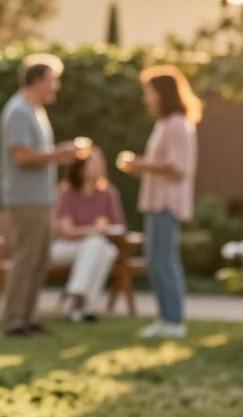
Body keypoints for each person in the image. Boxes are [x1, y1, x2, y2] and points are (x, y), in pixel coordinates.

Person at [0, 54, 87, 337]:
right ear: (37, 81)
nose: (56, 87)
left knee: (38, 260)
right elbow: (22, 156)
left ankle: (28, 319)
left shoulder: (35, 110)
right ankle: (14, 322)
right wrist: (60, 155)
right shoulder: (19, 111)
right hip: (25, 200)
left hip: (40, 199)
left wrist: (58, 154)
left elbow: (36, 153)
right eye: (53, 81)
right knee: (26, 260)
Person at [117, 64, 200, 338]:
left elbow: (178, 167)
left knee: (163, 261)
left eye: (149, 92)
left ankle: (174, 321)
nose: (146, 98)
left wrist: (142, 165)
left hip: (167, 203)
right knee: (156, 261)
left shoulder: (177, 124)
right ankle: (166, 318)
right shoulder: (165, 123)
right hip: (155, 201)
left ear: (163, 93)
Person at [51, 148, 125, 322]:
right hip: (64, 248)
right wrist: (93, 230)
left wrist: (99, 232)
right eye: (94, 162)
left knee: (105, 250)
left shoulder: (108, 193)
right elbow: (67, 231)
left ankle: (78, 305)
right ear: (81, 168)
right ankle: (82, 300)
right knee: (99, 245)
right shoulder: (66, 192)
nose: (100, 166)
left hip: (94, 250)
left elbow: (118, 227)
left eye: (101, 161)